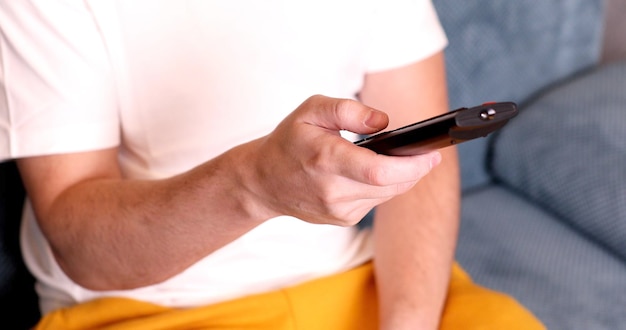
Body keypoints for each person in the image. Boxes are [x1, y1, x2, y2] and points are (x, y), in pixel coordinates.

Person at [0, 0, 544, 329]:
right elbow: (82, 245)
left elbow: (426, 164)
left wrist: (406, 326)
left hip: (362, 287)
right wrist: (252, 185)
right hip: (146, 311)